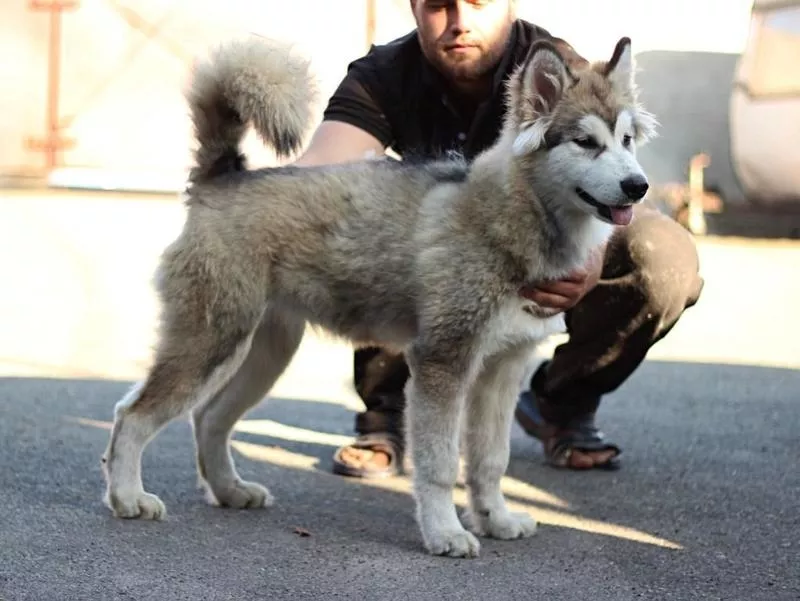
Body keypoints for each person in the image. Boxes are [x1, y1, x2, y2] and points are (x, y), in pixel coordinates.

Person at [292, 0, 704, 475]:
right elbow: (315, 179)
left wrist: (595, 252)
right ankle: (389, 411)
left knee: (662, 257)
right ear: (413, 7)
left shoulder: (556, 69)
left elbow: (620, 172)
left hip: (543, 238)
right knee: (370, 204)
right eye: (439, 6)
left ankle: (562, 401)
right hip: (445, 252)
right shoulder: (383, 74)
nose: (459, 23)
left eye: (478, 3)